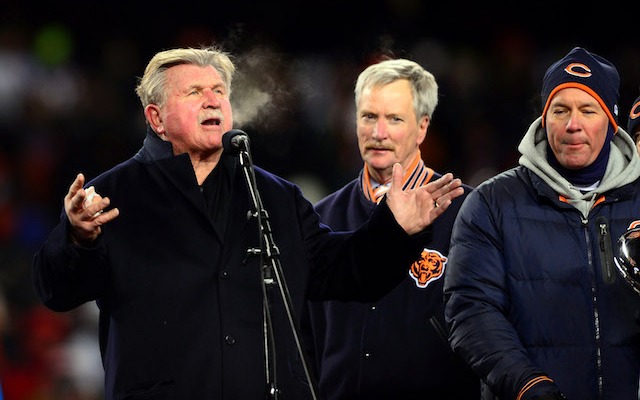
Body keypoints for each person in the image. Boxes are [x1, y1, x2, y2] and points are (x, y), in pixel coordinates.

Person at [31, 46, 465, 400]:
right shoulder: (114, 196)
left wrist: (394, 228)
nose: (212, 99)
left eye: (219, 90)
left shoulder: (274, 195)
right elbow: (56, 291)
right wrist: (76, 239)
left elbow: (344, 271)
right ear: (156, 119)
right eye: (194, 91)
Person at [443, 46, 640, 400]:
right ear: (543, 118)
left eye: (587, 110)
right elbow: (471, 310)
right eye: (559, 110)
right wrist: (526, 385)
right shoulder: (491, 204)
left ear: (611, 121)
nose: (572, 124)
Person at [303, 58, 480, 399]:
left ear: (423, 127)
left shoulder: (467, 212)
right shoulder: (321, 217)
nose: (378, 133)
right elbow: (307, 337)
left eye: (394, 119)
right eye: (369, 116)